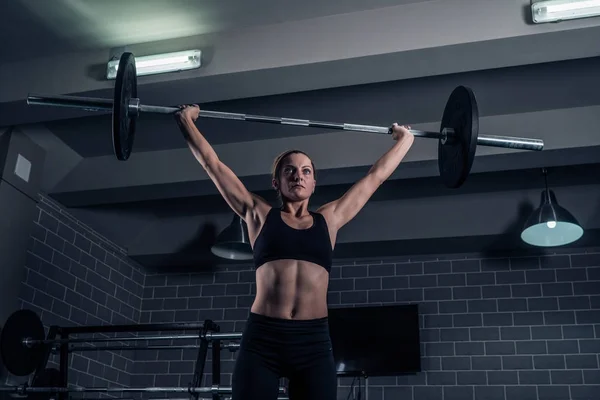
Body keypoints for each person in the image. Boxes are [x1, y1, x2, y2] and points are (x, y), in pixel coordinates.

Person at [175, 104, 415, 400]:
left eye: (305, 171)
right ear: (277, 182)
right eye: (289, 171)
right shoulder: (258, 214)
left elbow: (374, 177)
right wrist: (186, 121)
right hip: (263, 339)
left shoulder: (330, 219)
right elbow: (213, 165)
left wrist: (406, 140)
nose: (298, 176)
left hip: (312, 343)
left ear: (314, 183)